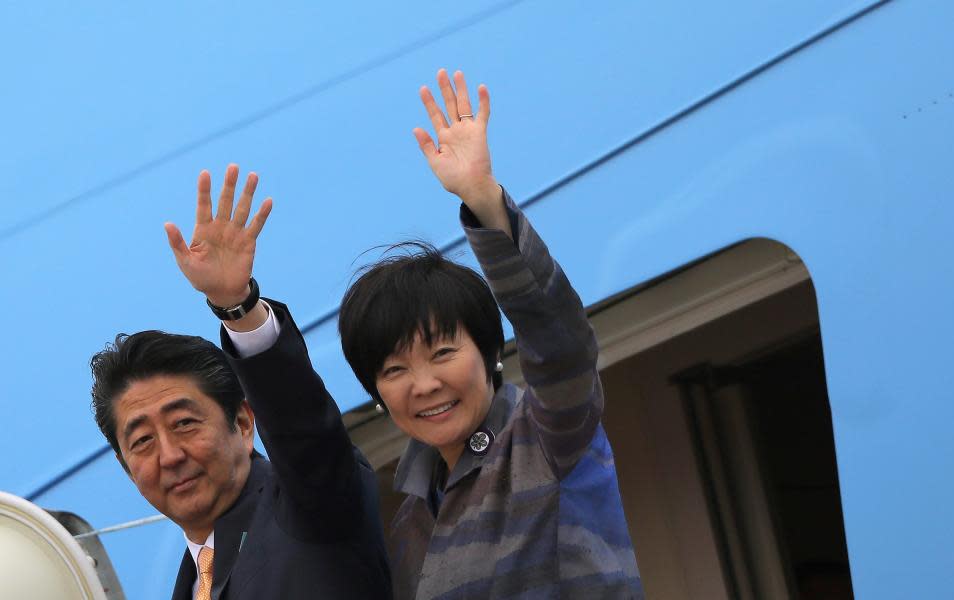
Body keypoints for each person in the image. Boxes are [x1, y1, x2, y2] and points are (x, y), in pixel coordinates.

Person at [338, 69, 644, 598]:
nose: (425, 383)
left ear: (489, 354)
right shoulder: (411, 507)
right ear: (377, 394)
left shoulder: (548, 435)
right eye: (394, 370)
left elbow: (560, 340)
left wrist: (484, 201)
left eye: (442, 352)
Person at [90, 165, 391, 599]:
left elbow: (304, 430)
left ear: (244, 424)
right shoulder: (191, 582)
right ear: (127, 469)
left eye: (184, 424)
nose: (170, 456)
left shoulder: (310, 506)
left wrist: (237, 306)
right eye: (141, 441)